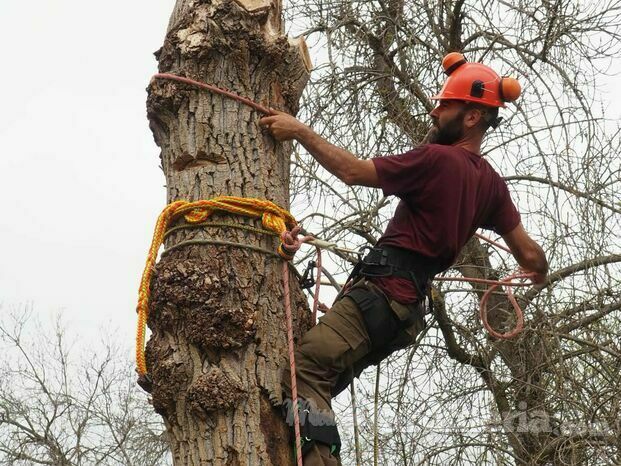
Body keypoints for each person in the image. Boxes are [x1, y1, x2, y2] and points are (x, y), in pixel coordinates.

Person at [259, 53, 548, 465]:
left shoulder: (435, 161)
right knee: (317, 384)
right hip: (404, 314)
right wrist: (538, 272)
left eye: (445, 105)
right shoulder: (491, 185)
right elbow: (530, 254)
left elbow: (354, 172)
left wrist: (300, 131)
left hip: (379, 295)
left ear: (471, 117)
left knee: (304, 369)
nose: (435, 109)